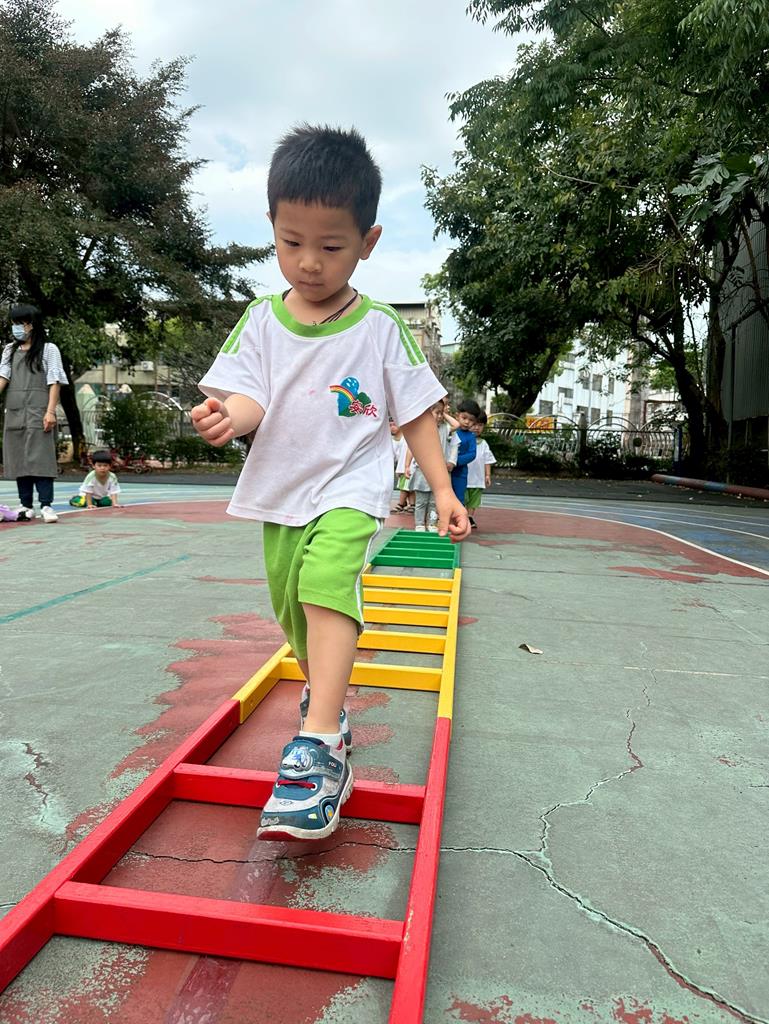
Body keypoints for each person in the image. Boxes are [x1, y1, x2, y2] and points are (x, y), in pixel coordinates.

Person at [191, 124, 470, 843]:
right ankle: (329, 710)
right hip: (282, 492)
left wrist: (442, 490)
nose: (309, 262)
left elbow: (417, 415)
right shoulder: (260, 320)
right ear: (272, 228)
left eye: (331, 246)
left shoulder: (380, 328)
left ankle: (317, 743)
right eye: (292, 242)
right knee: (294, 615)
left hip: (351, 485)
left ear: (367, 242)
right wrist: (227, 417)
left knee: (326, 583)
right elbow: (251, 398)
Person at [0, 303, 68, 523]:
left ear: (32, 324)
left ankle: (46, 505)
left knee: (41, 458)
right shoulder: (9, 350)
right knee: (19, 457)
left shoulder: (49, 349)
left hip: (40, 410)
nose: (17, 328)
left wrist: (50, 411)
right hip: (15, 410)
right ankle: (26, 505)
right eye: (14, 323)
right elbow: (3, 377)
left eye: (21, 323)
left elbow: (54, 381)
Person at [405, 399, 459, 531]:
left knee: (434, 501)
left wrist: (443, 412)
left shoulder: (444, 428)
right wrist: (406, 466)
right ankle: (419, 524)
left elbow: (456, 424)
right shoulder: (421, 430)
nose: (439, 416)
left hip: (439, 471)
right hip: (422, 470)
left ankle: (432, 523)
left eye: (441, 413)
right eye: (437, 413)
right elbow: (411, 448)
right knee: (421, 501)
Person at [465, 412, 497, 528]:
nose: (477, 428)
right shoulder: (463, 441)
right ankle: (462, 517)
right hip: (464, 478)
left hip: (478, 479)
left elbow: (487, 460)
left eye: (480, 425)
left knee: (474, 501)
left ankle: (469, 517)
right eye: (474, 424)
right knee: (462, 498)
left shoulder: (483, 444)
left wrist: (487, 475)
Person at [445, 398, 480, 505]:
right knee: (443, 496)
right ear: (457, 416)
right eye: (464, 418)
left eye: (471, 420)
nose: (467, 422)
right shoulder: (449, 430)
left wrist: (454, 461)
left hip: (460, 473)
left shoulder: (471, 436)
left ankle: (459, 515)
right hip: (443, 469)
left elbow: (472, 454)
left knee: (459, 498)